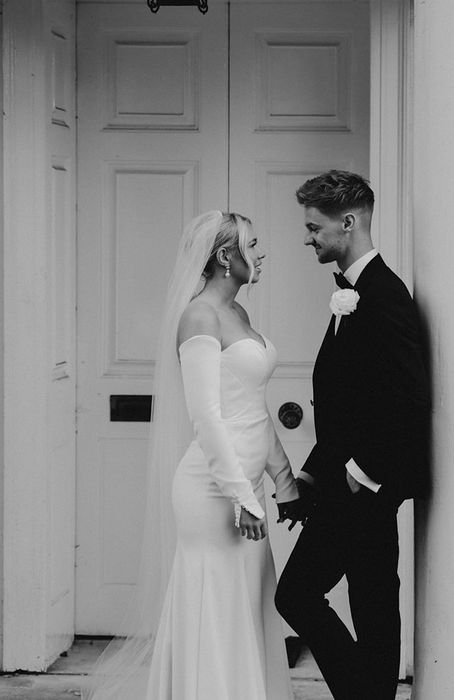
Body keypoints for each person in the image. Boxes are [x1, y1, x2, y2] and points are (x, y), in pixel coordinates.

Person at [84, 211, 301, 700]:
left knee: (246, 605)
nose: (262, 252)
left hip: (248, 489)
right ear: (226, 257)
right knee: (215, 604)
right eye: (253, 243)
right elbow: (206, 417)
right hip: (212, 492)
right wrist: (242, 498)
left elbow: (254, 411)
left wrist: (283, 484)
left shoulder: (239, 315)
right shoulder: (199, 316)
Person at [275, 171, 430, 700]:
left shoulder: (385, 295)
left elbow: (407, 399)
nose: (307, 237)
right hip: (345, 482)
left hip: (364, 486)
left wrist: (360, 475)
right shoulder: (352, 292)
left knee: (296, 596)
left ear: (348, 222)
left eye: (314, 227)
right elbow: (350, 405)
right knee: (373, 604)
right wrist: (315, 473)